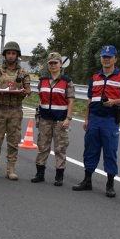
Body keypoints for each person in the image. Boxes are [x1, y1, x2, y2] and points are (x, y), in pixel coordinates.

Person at [73, 45, 120, 197]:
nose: (106, 60)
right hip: (94, 119)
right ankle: (87, 180)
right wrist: (86, 119)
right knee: (90, 150)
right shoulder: (95, 77)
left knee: (110, 152)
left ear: (115, 59)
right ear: (100, 58)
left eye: (109, 57)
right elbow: (89, 100)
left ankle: (110, 184)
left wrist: (114, 101)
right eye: (104, 57)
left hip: (110, 120)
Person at [0, 41, 31, 180]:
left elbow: (28, 90)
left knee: (13, 140)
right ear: (5, 55)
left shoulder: (23, 73)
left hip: (15, 110)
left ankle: (11, 169)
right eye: (8, 53)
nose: (10, 56)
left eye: (13, 53)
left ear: (17, 55)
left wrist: (22, 92)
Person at [31, 52, 75, 186]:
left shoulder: (67, 82)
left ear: (60, 64)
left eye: (55, 63)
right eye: (50, 63)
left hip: (60, 120)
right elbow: (40, 98)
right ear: (48, 65)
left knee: (60, 148)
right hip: (45, 119)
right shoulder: (42, 80)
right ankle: (40, 174)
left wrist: (68, 118)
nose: (53, 65)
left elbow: (71, 101)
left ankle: (59, 176)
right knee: (42, 146)